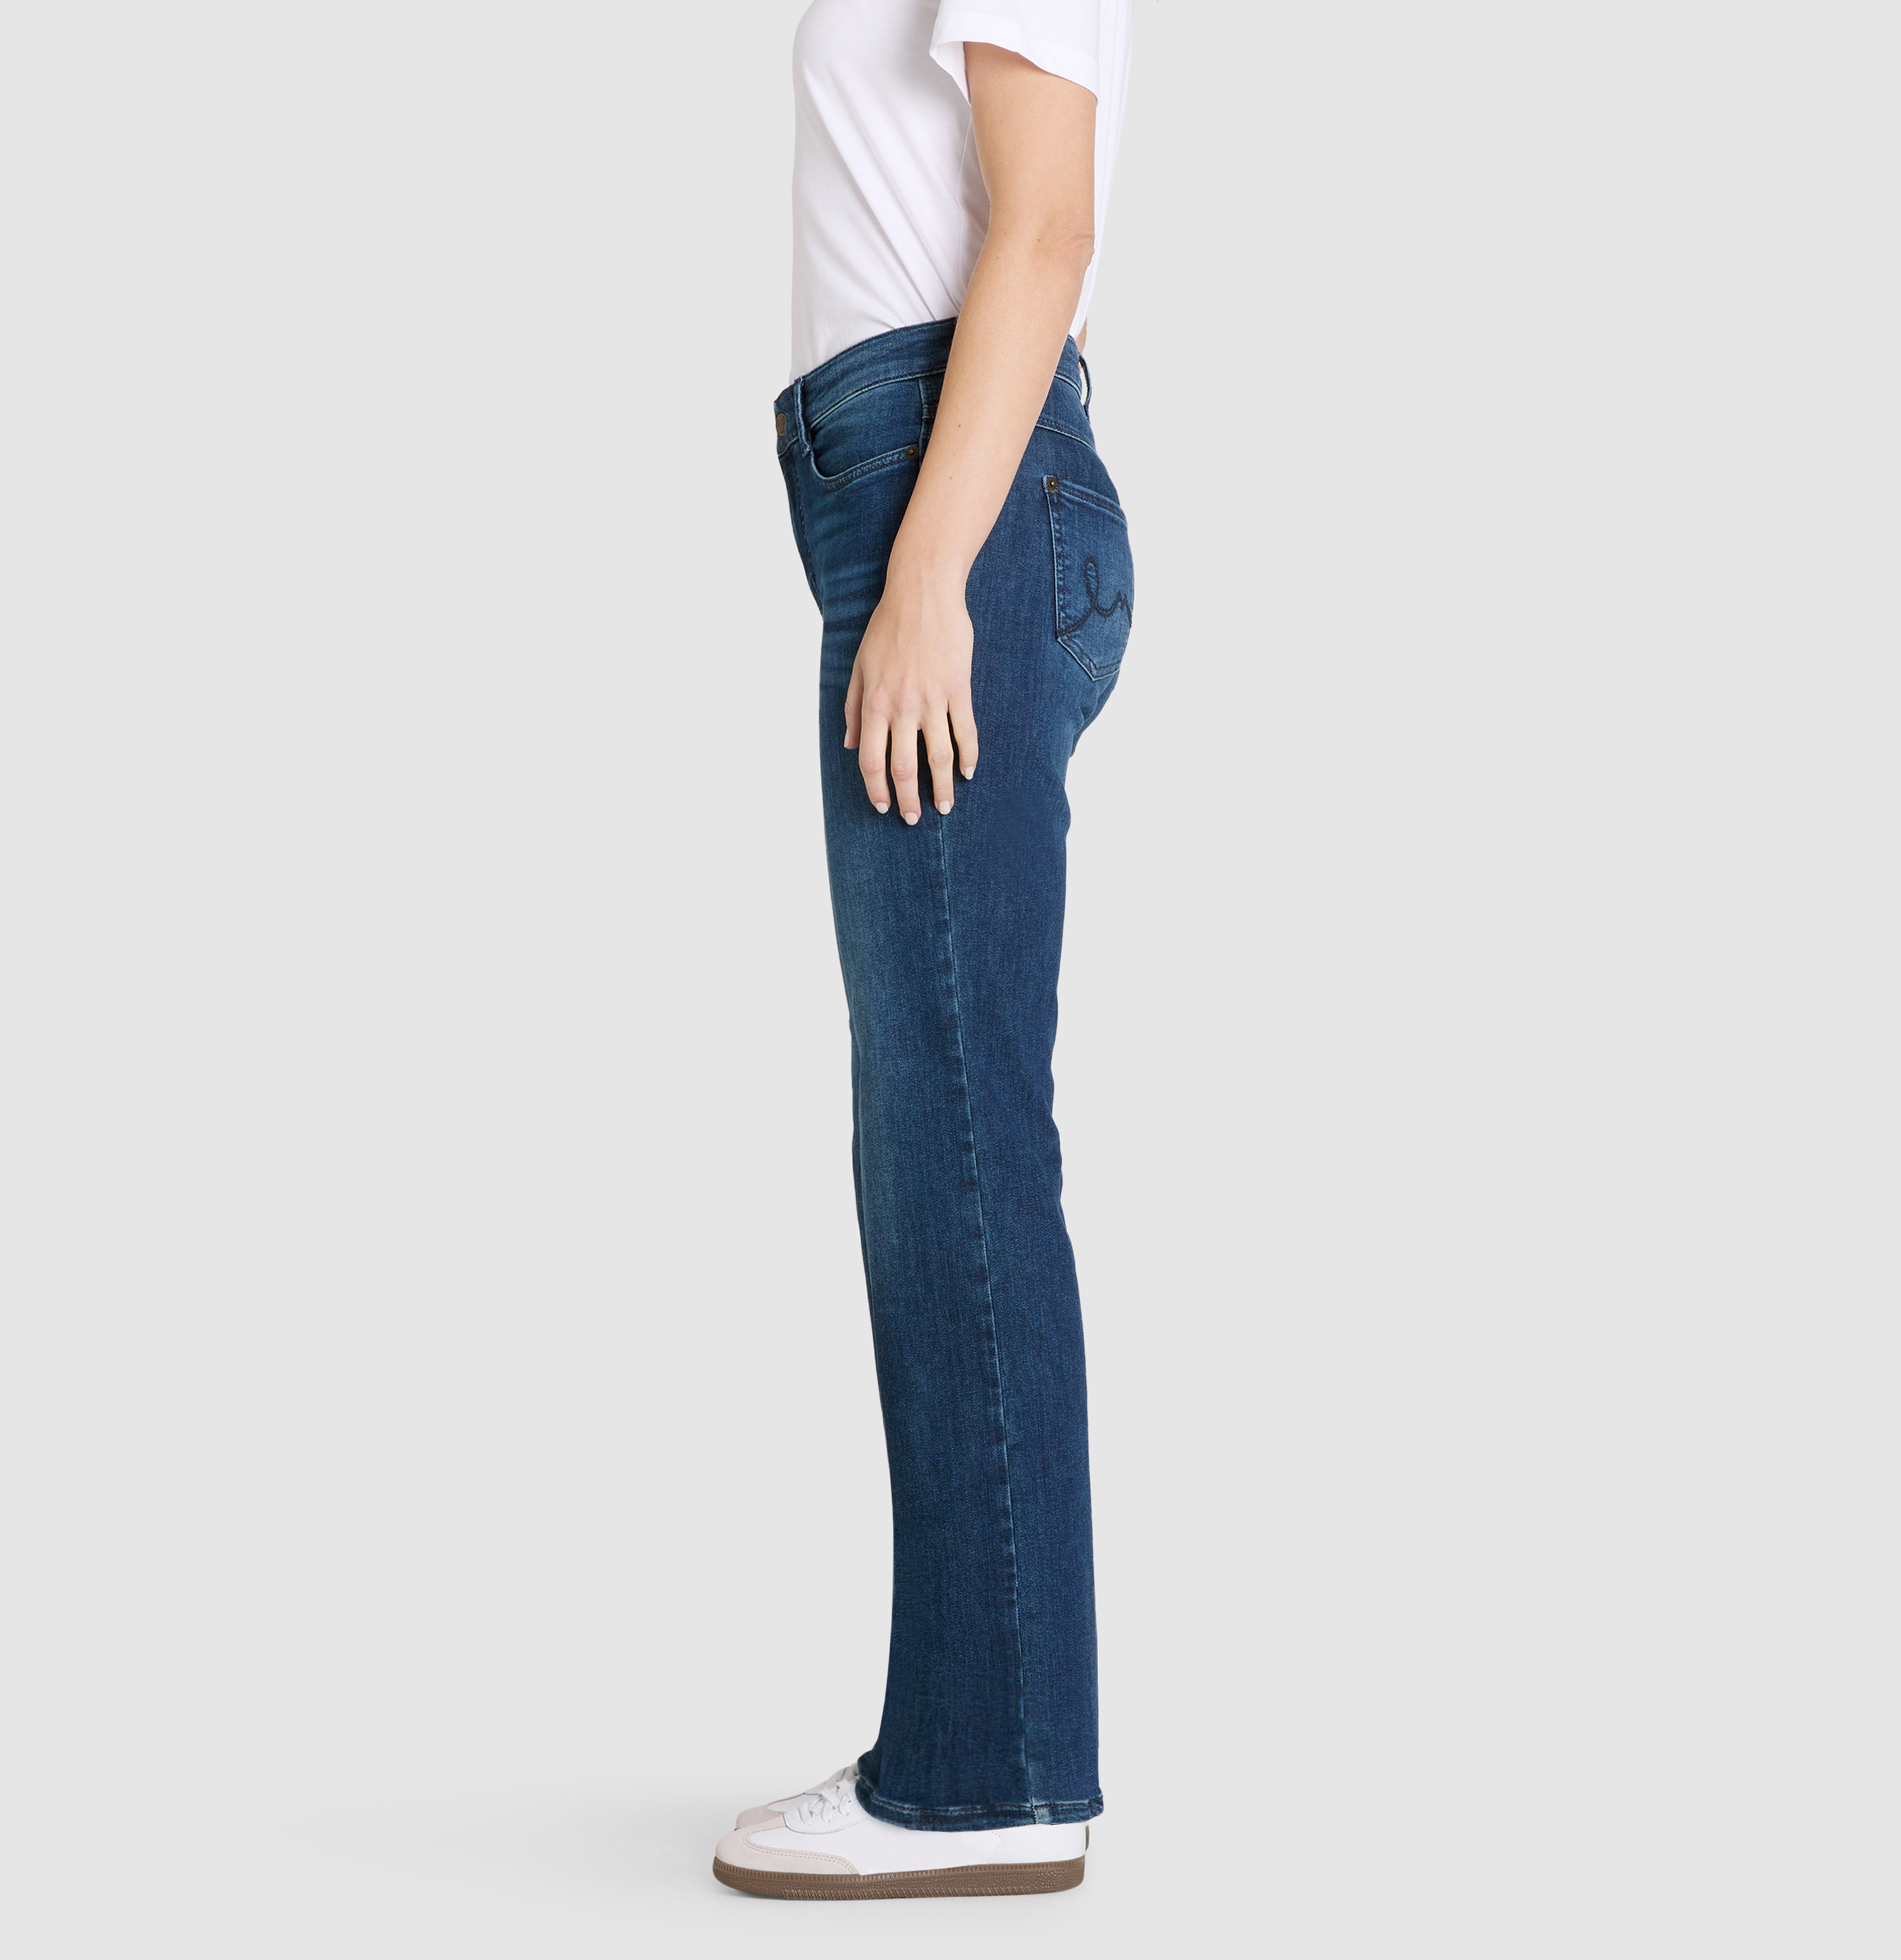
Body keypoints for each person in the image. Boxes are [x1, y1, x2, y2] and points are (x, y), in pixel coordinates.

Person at [714, 0, 1136, 1900]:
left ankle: (991, 1770)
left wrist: (928, 581)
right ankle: (988, 1741)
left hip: (948, 508)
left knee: (958, 1146)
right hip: (922, 495)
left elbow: (1046, 224)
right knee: (935, 1145)